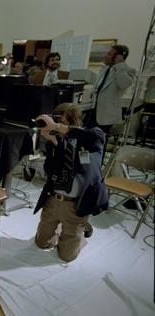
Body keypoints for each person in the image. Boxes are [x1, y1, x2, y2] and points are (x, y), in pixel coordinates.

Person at [33, 103, 108, 262]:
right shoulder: (57, 140)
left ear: (74, 122)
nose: (58, 127)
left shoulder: (93, 136)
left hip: (75, 205)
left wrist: (58, 127)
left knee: (67, 256)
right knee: (42, 243)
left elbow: (89, 137)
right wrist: (53, 141)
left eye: (62, 123)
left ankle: (80, 229)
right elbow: (50, 170)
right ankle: (66, 228)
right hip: (53, 200)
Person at [85, 45, 137, 134]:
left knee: (99, 141)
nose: (106, 56)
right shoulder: (104, 68)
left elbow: (123, 85)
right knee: (87, 137)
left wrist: (120, 66)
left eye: (109, 54)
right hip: (92, 110)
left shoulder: (128, 70)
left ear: (118, 57)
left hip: (106, 114)